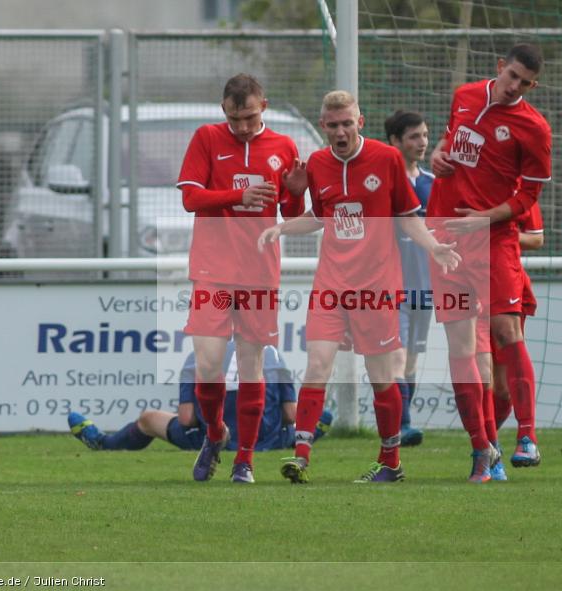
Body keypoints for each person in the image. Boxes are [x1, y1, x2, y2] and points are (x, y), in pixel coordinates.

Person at [258, 90, 460, 484]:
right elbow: (319, 216)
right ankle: (301, 455)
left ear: (360, 122)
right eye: (332, 125)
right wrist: (283, 224)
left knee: (381, 376)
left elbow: (407, 216)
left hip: (377, 287)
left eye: (346, 123)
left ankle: (391, 462)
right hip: (331, 284)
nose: (340, 131)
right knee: (317, 363)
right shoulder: (316, 163)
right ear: (323, 127)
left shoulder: (386, 160)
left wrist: (434, 247)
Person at [428, 43, 552, 483]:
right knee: (461, 348)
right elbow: (447, 143)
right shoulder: (463, 95)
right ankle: (482, 449)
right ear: (500, 67)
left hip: (495, 239)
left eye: (524, 82)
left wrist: (484, 217)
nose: (513, 86)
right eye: (511, 75)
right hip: (447, 238)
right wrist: (437, 157)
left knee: (506, 330)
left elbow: (528, 198)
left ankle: (527, 437)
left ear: (532, 85)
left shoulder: (534, 128)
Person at [174, 73, 306, 483]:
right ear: (223, 111)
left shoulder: (284, 147)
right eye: (235, 119)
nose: (243, 126)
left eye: (249, 117)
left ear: (263, 106)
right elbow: (190, 198)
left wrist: (298, 192)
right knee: (209, 365)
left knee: (252, 366)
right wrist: (237, 196)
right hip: (213, 271)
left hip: (259, 273)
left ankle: (243, 460)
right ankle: (215, 433)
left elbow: (296, 219)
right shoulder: (207, 138)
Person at [66, 343, 332, 454]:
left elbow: (186, 418)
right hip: (267, 439)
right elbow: (290, 414)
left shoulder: (199, 355)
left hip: (217, 440)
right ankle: (305, 438)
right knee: (315, 417)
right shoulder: (271, 352)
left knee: (148, 419)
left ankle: (104, 443)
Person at [478, 202, 544, 482]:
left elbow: (537, 238)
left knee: (503, 387)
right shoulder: (457, 174)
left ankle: (524, 438)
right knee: (483, 376)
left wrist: (498, 231)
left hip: (504, 275)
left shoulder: (516, 187)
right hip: (466, 275)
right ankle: (487, 450)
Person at [384, 109, 434, 447]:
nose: (423, 142)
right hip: (392, 287)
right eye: (414, 136)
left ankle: (403, 421)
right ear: (395, 142)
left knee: (413, 358)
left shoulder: (433, 183)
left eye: (425, 135)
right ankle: (400, 425)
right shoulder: (384, 182)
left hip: (427, 287)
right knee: (397, 357)